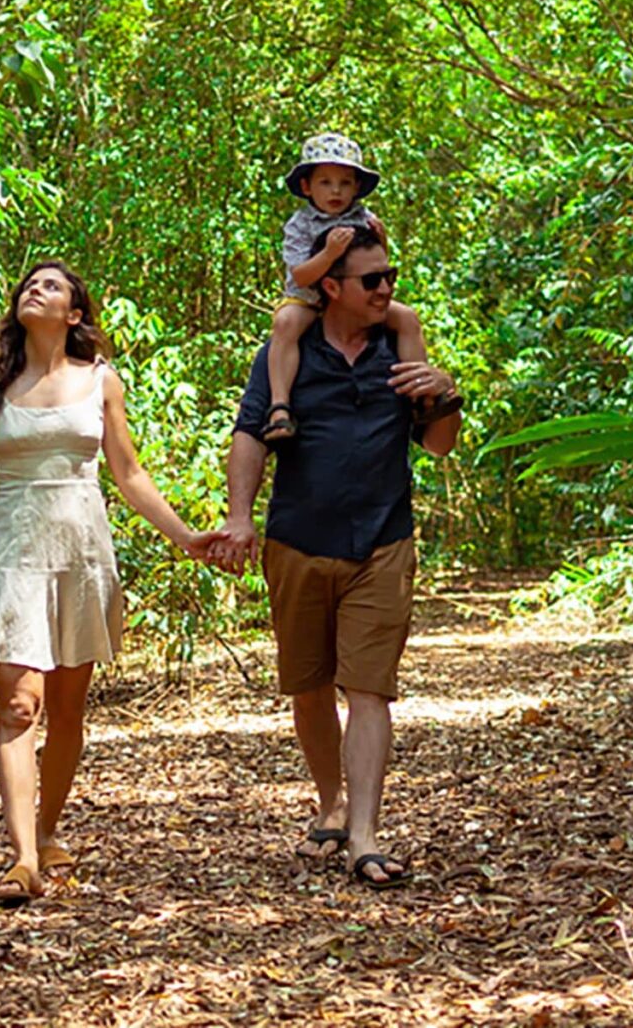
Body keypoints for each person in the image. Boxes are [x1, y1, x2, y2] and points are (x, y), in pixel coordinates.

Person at [0, 261, 225, 905]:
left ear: (74, 315)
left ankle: (44, 832)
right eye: (28, 284)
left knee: (68, 711)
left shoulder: (101, 381)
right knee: (19, 706)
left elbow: (128, 475)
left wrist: (185, 538)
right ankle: (21, 861)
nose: (33, 290)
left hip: (81, 550)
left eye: (51, 286)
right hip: (13, 550)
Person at [214, 223, 463, 889]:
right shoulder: (287, 350)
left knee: (371, 686)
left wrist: (445, 390)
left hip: (383, 540)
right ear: (332, 286)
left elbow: (438, 444)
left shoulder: (399, 347)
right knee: (308, 681)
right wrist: (239, 517)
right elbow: (250, 436)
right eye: (372, 280)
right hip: (297, 539)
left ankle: (366, 833)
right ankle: (332, 798)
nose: (387, 290)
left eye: (391, 277)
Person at [261, 132, 426, 450]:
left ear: (356, 188)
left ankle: (419, 393)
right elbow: (300, 274)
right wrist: (329, 254)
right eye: (325, 182)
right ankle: (279, 407)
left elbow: (374, 265)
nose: (335, 191)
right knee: (284, 324)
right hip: (309, 299)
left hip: (354, 303)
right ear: (307, 187)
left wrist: (382, 240)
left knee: (407, 318)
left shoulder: (365, 219)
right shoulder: (299, 225)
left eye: (345, 183)